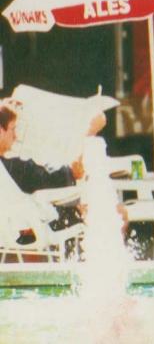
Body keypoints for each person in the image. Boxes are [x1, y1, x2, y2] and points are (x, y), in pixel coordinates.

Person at [0, 104, 118, 248]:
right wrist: (88, 132)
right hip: (34, 229)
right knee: (112, 211)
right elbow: (47, 179)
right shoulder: (12, 168)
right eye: (13, 129)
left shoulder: (10, 167)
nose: (16, 135)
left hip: (14, 231)